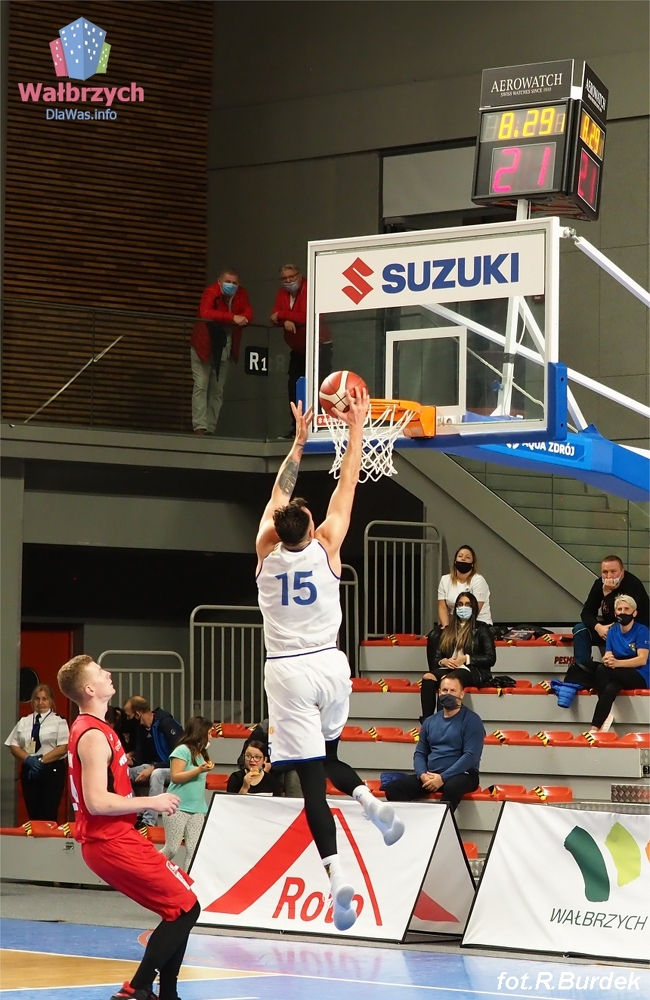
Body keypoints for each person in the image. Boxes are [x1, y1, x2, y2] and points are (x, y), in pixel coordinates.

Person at [255, 392, 404, 933]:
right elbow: (348, 484)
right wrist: (357, 427)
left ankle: (337, 875)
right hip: (331, 665)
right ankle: (367, 799)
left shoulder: (265, 552)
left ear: (278, 530)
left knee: (312, 778)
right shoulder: (329, 544)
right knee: (332, 753)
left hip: (287, 670)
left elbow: (280, 492)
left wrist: (297, 443)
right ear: (312, 525)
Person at [57, 655, 199, 1000]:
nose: (107, 673)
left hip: (116, 837)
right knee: (185, 909)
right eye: (99, 672)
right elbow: (96, 802)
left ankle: (164, 993)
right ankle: (138, 988)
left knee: (182, 906)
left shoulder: (96, 727)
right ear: (89, 689)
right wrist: (152, 802)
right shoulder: (92, 735)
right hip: (108, 840)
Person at [384, 672, 485, 811]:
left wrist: (442, 778)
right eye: (445, 690)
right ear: (439, 692)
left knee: (452, 788)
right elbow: (420, 753)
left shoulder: (472, 721)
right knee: (393, 788)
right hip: (431, 774)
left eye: (453, 690)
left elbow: (471, 756)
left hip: (463, 775)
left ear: (462, 694)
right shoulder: (430, 722)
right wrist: (422, 775)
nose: (448, 694)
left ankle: (441, 823)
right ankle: (414, 821)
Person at [558, 555, 650, 705]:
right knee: (580, 630)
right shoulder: (598, 584)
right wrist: (598, 627)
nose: (609, 576)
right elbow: (586, 612)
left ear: (622, 572)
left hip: (630, 632)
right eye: (605, 572)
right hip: (606, 630)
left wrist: (608, 595)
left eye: (613, 571)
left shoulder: (633, 585)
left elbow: (629, 617)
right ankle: (583, 674)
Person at [270, 263, 332, 433]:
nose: (288, 281)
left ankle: (318, 427)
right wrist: (285, 320)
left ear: (299, 275)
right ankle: (297, 428)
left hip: (319, 347)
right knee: (294, 387)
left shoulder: (311, 289)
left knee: (319, 387)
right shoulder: (282, 293)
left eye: (292, 276)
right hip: (298, 349)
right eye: (284, 278)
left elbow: (308, 316)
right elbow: (272, 318)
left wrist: (282, 315)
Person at [190, 268, 253, 434]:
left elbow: (248, 314)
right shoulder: (210, 292)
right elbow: (205, 313)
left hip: (226, 347)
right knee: (201, 385)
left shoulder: (241, 294)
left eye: (234, 283)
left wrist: (232, 318)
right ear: (219, 282)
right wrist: (232, 317)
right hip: (203, 346)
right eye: (227, 282)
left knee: (217, 390)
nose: (231, 285)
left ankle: (210, 428)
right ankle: (200, 427)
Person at [422, 592, 496, 719]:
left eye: (467, 605)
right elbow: (436, 658)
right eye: (460, 604)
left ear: (473, 608)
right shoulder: (448, 629)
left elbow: (490, 658)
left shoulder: (482, 629)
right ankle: (427, 721)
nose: (463, 608)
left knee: (447, 681)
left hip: (471, 669)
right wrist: (444, 661)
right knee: (428, 677)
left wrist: (466, 659)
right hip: (450, 667)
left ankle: (443, 720)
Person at [5, 684, 69, 821]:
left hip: (51, 770)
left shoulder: (59, 721)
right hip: (30, 771)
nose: (40, 702)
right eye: (37, 699)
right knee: (33, 815)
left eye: (44, 699)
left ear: (51, 701)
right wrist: (28, 759)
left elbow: (64, 747)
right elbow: (13, 745)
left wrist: (40, 761)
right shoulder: (24, 721)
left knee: (48, 814)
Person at [588, 596, 649, 733]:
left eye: (627, 609)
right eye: (619, 609)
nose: (623, 612)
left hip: (641, 674)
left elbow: (642, 660)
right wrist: (607, 659)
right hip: (619, 673)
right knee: (611, 688)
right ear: (615, 613)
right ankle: (595, 727)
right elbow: (608, 654)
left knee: (602, 670)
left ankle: (601, 718)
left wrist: (617, 663)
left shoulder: (642, 630)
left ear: (634, 613)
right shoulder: (613, 631)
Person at [162, 716, 214, 867]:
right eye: (209, 733)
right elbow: (176, 776)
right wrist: (198, 770)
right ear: (200, 732)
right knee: (171, 849)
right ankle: (146, 870)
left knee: (194, 851)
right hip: (177, 807)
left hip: (198, 809)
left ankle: (188, 880)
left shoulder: (202, 753)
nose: (211, 737)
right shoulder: (182, 750)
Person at [129, 697, 182, 827]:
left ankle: (149, 821)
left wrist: (154, 767)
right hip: (155, 765)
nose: (127, 720)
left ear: (138, 714)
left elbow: (179, 757)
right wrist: (132, 761)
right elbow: (141, 758)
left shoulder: (166, 723)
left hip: (176, 767)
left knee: (157, 774)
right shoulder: (142, 730)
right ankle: (135, 814)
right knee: (124, 772)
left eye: (129, 716)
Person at [438, 545, 492, 626]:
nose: (463, 559)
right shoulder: (444, 580)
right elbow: (442, 607)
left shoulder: (478, 580)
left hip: (478, 624)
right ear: (455, 561)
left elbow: (476, 609)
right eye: (460, 556)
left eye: (467, 557)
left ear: (472, 564)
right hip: (454, 625)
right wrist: (446, 627)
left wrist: (461, 629)